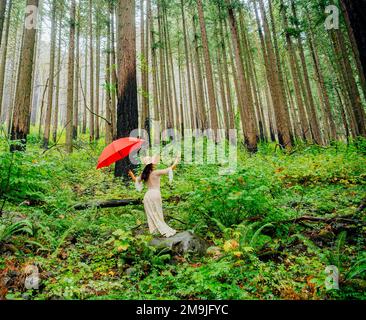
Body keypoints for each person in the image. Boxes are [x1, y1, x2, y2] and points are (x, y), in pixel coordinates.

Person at [128, 156, 180, 238]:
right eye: (154, 163)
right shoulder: (156, 172)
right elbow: (170, 169)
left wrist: (131, 174)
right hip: (155, 194)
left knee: (150, 214)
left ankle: (154, 232)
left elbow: (135, 180)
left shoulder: (144, 174)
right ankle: (162, 230)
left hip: (148, 195)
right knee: (158, 212)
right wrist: (176, 161)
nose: (155, 164)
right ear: (151, 165)